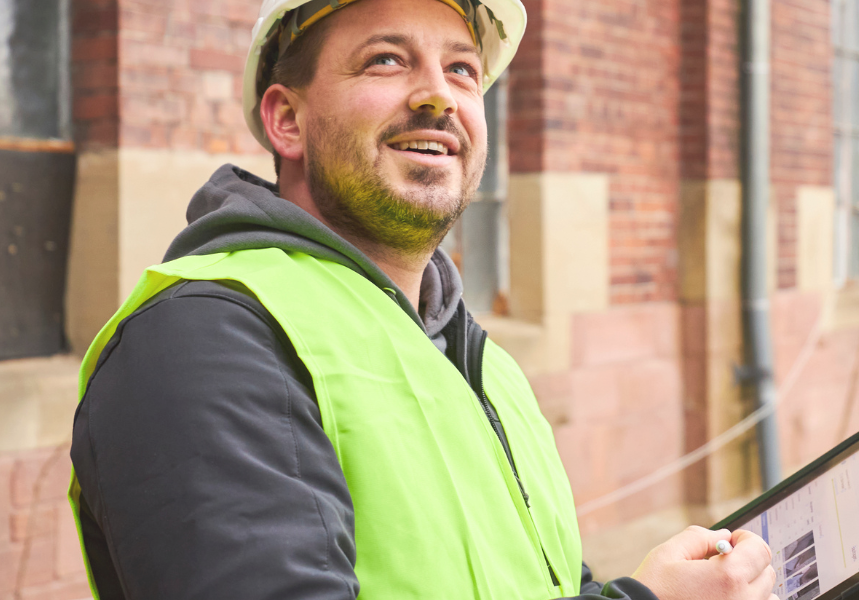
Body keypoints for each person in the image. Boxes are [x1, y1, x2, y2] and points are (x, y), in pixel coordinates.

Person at [67, 0, 778, 598]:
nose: (438, 95)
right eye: (386, 60)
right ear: (286, 120)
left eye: (462, 69)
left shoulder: (476, 359)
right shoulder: (203, 339)